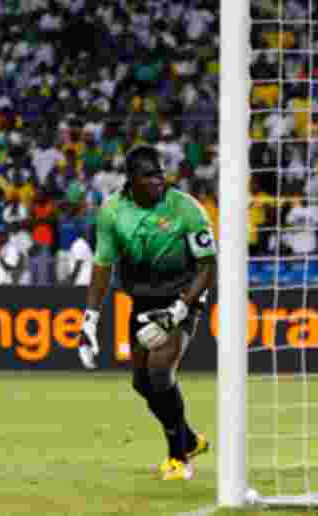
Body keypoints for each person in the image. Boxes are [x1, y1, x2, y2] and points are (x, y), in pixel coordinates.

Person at [78, 144, 216, 481]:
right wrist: (90, 320)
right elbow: (102, 266)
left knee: (158, 371)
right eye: (149, 176)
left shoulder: (186, 208)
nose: (158, 181)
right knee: (141, 382)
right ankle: (188, 438)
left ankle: (178, 458)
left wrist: (180, 309)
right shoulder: (111, 213)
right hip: (141, 298)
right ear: (132, 180)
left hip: (183, 295)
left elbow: (208, 265)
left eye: (160, 174)